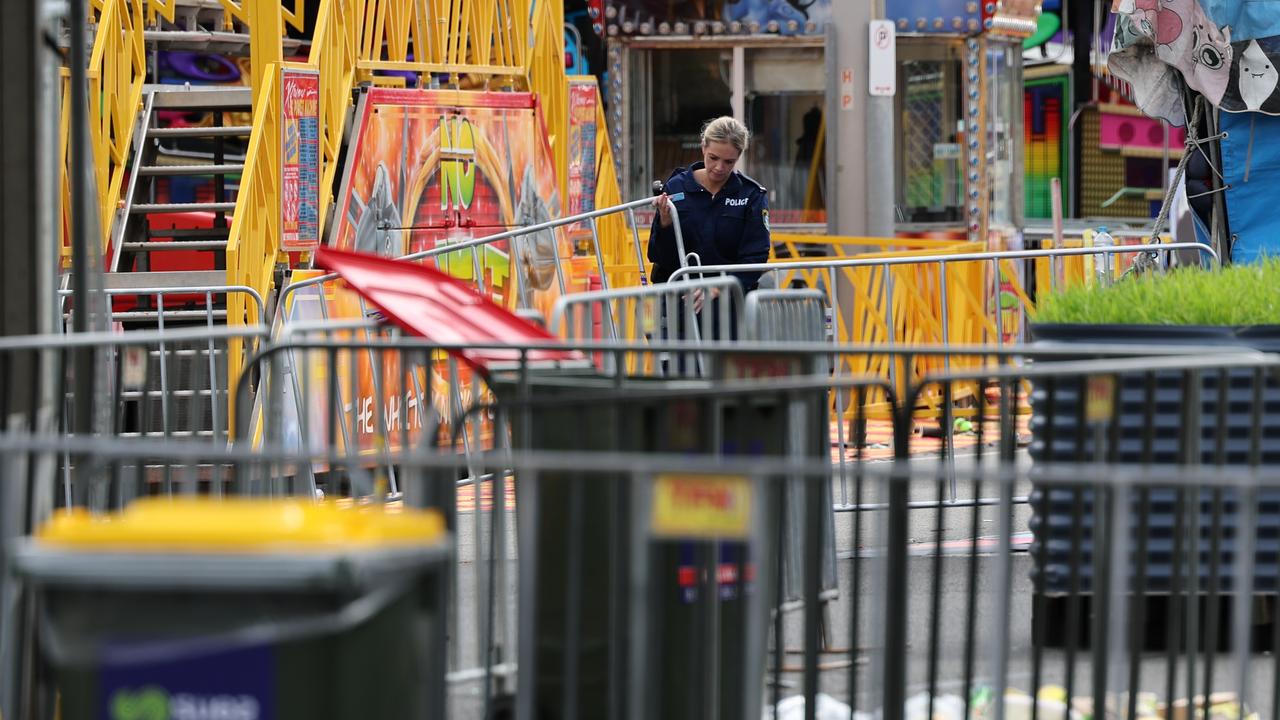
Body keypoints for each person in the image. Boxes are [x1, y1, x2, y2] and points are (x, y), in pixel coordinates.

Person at [649, 115, 771, 315]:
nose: (719, 168)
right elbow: (658, 255)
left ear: (739, 156)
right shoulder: (675, 187)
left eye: (729, 162)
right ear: (703, 147)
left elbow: (755, 258)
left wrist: (718, 289)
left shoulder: (751, 196)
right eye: (713, 158)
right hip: (677, 305)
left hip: (728, 310)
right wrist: (665, 224)